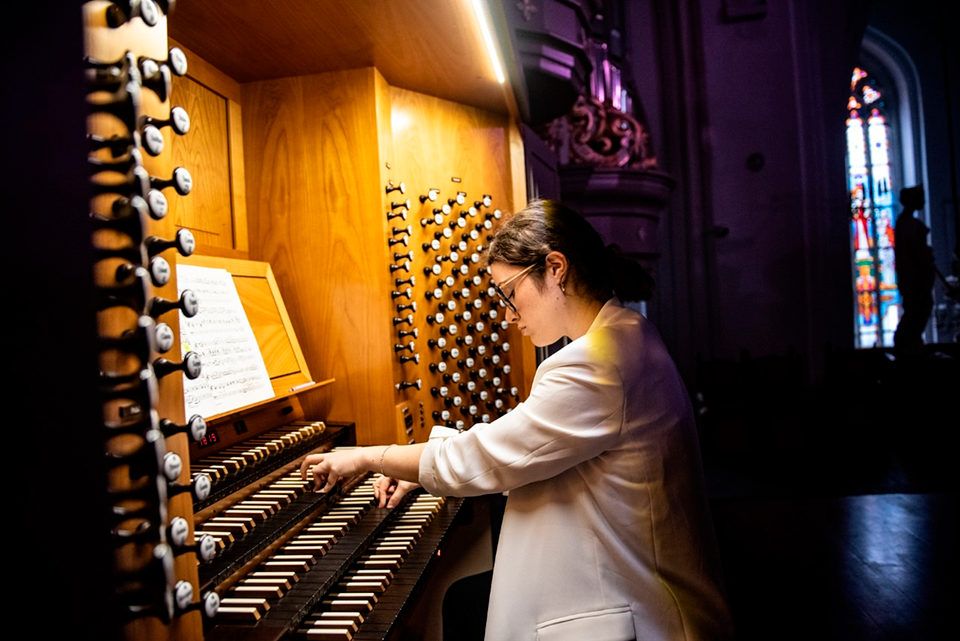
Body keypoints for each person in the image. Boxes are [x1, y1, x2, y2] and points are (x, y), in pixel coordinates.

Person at [301, 199, 734, 640]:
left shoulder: (596, 363)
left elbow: (486, 457)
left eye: (509, 292)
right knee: (463, 602)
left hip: (636, 614)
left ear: (555, 268)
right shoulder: (627, 334)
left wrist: (369, 457)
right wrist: (419, 467)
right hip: (634, 588)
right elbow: (525, 445)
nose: (508, 315)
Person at [894, 185, 936, 350]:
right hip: (914, 279)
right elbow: (914, 249)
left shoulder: (908, 222)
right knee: (917, 309)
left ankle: (912, 341)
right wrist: (925, 262)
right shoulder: (906, 223)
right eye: (921, 198)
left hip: (918, 278)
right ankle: (907, 342)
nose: (923, 202)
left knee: (921, 309)